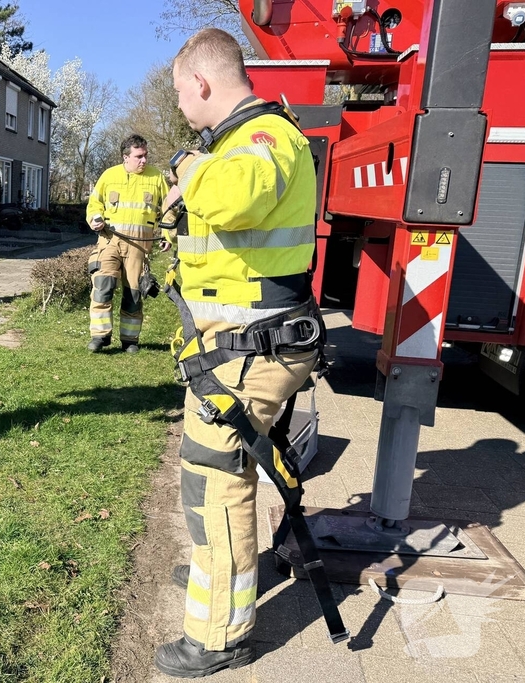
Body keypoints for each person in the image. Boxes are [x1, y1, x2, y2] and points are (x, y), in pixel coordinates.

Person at [155, 28, 324, 677]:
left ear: (201, 82)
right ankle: (217, 571)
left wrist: (189, 168)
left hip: (255, 348)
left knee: (214, 474)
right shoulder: (240, 145)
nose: (180, 107)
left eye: (179, 92)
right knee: (216, 473)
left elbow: (232, 197)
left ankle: (219, 633)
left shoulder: (264, 137)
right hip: (239, 345)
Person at [85, 134, 169, 354]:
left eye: (145, 156)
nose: (144, 160)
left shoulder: (157, 178)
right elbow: (94, 205)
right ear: (125, 157)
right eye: (139, 156)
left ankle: (130, 340)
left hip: (138, 248)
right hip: (109, 242)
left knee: (133, 294)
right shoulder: (109, 176)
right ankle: (100, 337)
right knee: (102, 287)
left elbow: (170, 209)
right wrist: (95, 219)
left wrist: (169, 235)